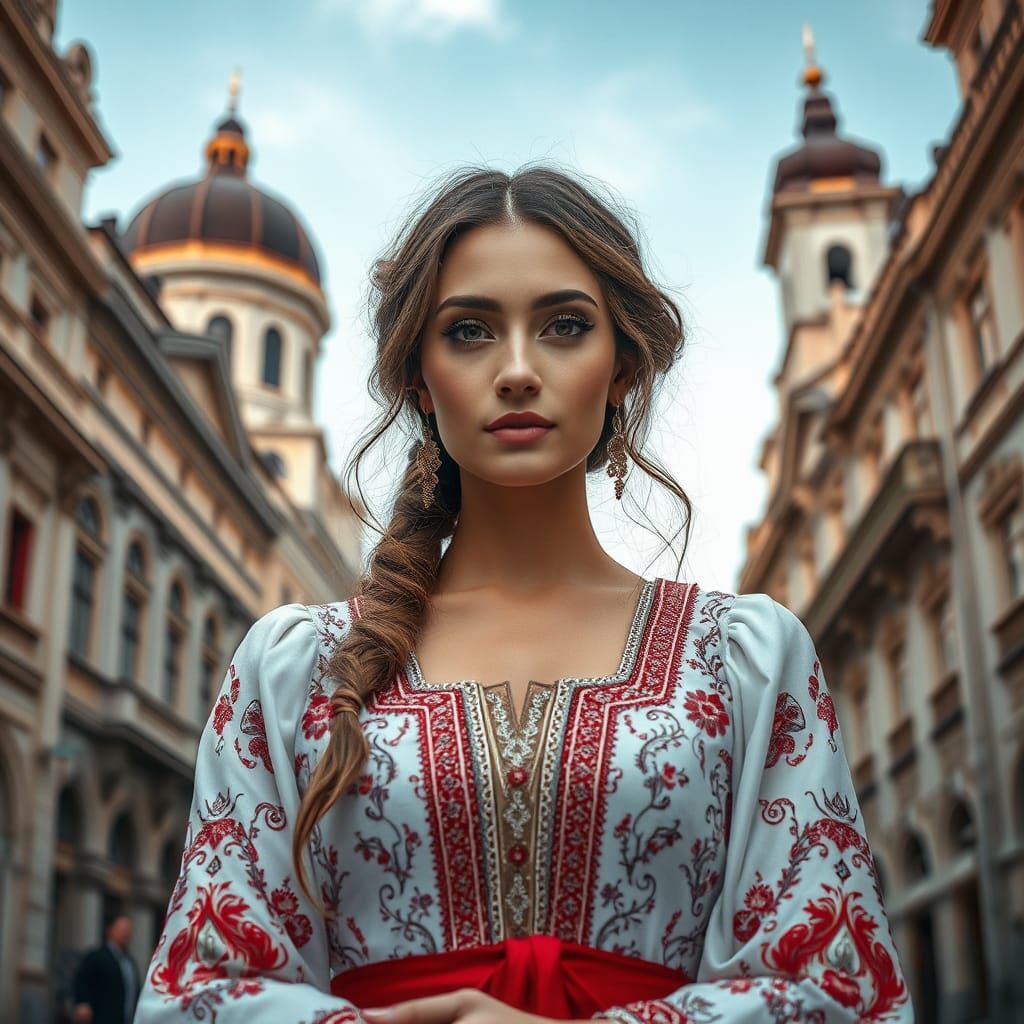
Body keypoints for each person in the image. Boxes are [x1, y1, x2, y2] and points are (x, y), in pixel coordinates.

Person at [135, 165, 914, 1022]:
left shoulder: (748, 662)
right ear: (420, 381)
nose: (515, 370)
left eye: (564, 326)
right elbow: (196, 994)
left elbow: (839, 990)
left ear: (621, 367)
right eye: (469, 331)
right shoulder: (291, 668)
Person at [71, 913, 140, 1024]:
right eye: (122, 929)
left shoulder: (129, 962)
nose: (126, 934)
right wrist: (82, 1002)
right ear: (110, 930)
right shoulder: (96, 957)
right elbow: (82, 980)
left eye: (128, 930)